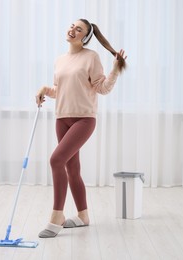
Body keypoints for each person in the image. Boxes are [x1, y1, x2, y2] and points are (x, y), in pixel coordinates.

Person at [35, 18, 127, 238]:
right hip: (62, 118)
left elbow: (101, 88)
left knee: (56, 160)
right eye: (71, 26)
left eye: (79, 29)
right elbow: (61, 89)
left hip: (84, 119)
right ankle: (83, 215)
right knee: (71, 169)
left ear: (85, 37)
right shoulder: (60, 60)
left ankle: (57, 215)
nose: (72, 30)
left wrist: (115, 69)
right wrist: (44, 90)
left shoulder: (91, 57)